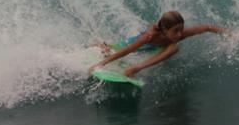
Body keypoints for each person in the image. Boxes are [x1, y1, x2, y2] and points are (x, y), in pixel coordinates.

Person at [90, 10, 225, 77]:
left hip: (155, 47)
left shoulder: (179, 35)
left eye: (181, 30)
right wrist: (101, 64)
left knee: (174, 47)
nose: (179, 34)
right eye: (175, 31)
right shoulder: (150, 36)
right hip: (139, 43)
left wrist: (231, 35)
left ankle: (137, 67)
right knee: (111, 49)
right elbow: (128, 49)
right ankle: (101, 45)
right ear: (165, 29)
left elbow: (208, 27)